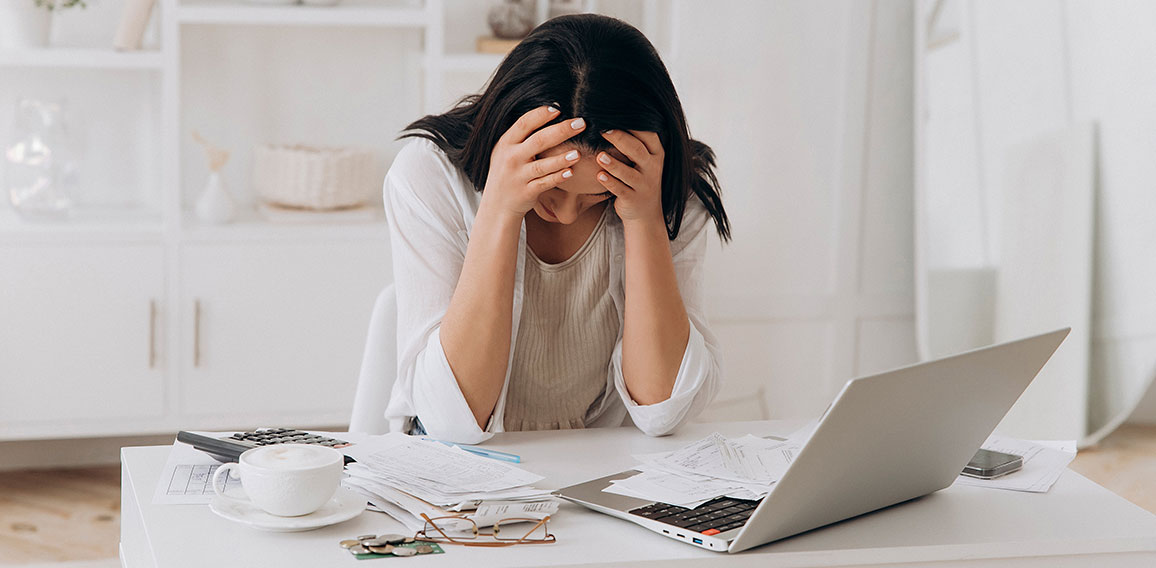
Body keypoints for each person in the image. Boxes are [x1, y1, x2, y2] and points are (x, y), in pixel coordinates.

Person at [382, 13, 731, 444]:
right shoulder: (429, 176)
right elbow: (452, 422)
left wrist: (644, 219)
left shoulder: (663, 187)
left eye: (594, 197)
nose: (566, 214)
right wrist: (501, 208)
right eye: (551, 188)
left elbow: (663, 410)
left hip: (597, 473)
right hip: (456, 478)